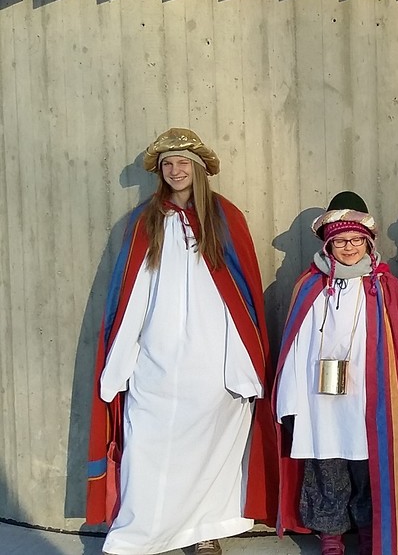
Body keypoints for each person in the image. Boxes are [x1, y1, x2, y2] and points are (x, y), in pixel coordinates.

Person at [85, 128, 277, 555]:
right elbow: (130, 295)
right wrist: (122, 359)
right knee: (148, 446)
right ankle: (137, 535)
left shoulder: (226, 218)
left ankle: (206, 529)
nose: (175, 170)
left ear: (199, 168)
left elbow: (241, 298)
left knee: (213, 448)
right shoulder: (146, 220)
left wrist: (244, 363)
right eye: (168, 164)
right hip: (157, 357)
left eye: (183, 162)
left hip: (214, 360)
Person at [272, 192, 398, 555]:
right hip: (319, 398)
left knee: (367, 465)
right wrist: (289, 399)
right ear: (328, 245)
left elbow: (397, 347)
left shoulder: (383, 286)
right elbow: (295, 346)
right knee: (326, 464)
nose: (350, 247)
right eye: (341, 241)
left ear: (368, 243)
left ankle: (369, 531)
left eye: (357, 240)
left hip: (368, 397)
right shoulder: (310, 285)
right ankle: (331, 536)